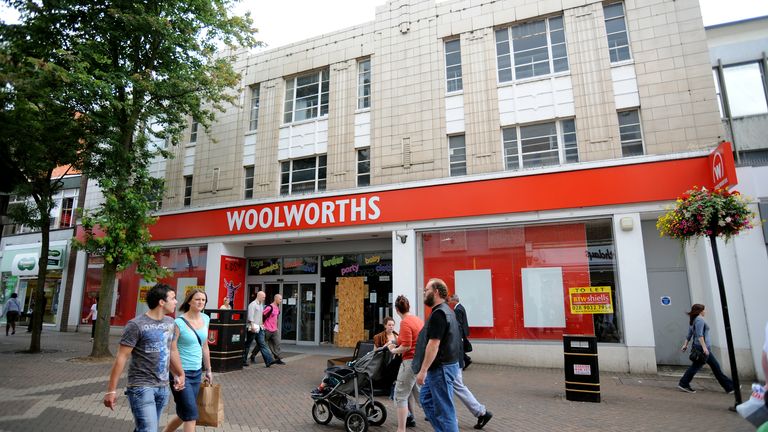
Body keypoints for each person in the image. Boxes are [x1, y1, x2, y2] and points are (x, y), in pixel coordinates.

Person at [103, 284, 185, 432]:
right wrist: (111, 391)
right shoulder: (136, 325)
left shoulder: (170, 323)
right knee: (149, 429)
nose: (176, 302)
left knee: (144, 428)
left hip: (162, 387)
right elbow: (121, 357)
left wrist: (179, 373)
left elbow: (171, 351)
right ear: (161, 302)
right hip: (141, 387)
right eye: (173, 298)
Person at [416, 278, 462, 432]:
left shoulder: (439, 314)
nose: (424, 293)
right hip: (444, 366)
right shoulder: (447, 311)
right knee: (425, 399)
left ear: (436, 292)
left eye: (426, 290)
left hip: (441, 368)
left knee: (445, 410)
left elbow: (433, 344)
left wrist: (422, 371)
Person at [163, 288, 212, 432]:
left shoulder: (206, 318)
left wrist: (208, 370)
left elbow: (205, 346)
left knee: (184, 413)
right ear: (189, 301)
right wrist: (177, 373)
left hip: (196, 373)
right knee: (191, 415)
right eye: (197, 299)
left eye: (203, 300)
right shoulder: (178, 322)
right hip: (180, 373)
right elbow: (171, 349)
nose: (201, 302)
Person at [678, 303, 734, 394]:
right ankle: (683, 383)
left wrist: (685, 345)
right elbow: (700, 335)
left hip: (701, 348)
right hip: (702, 349)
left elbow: (689, 335)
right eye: (703, 310)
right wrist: (704, 348)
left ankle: (730, 387)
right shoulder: (700, 320)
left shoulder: (693, 320)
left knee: (715, 367)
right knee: (696, 367)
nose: (705, 311)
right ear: (700, 311)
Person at [389, 296, 423, 431]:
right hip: (418, 361)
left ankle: (401, 429)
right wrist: (393, 342)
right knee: (419, 395)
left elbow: (407, 346)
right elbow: (407, 340)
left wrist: (393, 350)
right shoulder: (417, 320)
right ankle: (442, 419)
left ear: (397, 310)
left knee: (400, 394)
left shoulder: (405, 323)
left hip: (409, 362)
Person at [243, 290, 275, 367]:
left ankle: (269, 361)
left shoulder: (261, 305)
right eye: (263, 297)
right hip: (253, 327)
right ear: (259, 296)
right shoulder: (252, 305)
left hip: (260, 327)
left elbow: (260, 316)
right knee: (248, 344)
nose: (264, 298)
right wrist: (252, 326)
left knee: (262, 344)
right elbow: (250, 316)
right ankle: (243, 360)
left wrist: (262, 325)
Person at [448, 294, 472, 370]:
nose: (450, 302)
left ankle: (465, 361)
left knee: (460, 348)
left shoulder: (458, 309)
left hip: (460, 333)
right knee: (461, 348)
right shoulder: (459, 307)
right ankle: (467, 360)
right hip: (462, 332)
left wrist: (459, 335)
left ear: (455, 300)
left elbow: (459, 323)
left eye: (451, 300)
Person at [263, 294, 285, 365]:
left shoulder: (277, 308)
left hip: (274, 329)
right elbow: (262, 316)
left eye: (281, 299)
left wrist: (277, 327)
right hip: (267, 329)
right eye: (280, 299)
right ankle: (253, 355)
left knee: (277, 343)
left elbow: (276, 319)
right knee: (261, 344)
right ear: (275, 299)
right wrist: (262, 325)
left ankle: (278, 359)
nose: (281, 301)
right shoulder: (269, 307)